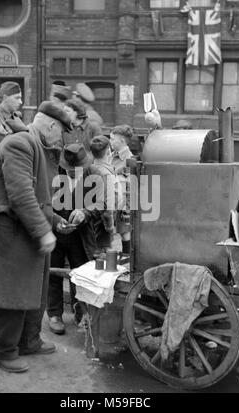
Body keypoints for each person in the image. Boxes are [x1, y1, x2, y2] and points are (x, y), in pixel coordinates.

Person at [0, 101, 72, 374]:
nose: (61, 139)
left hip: (23, 229)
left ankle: (28, 341)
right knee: (11, 294)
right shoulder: (20, 144)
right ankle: (2, 352)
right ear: (51, 125)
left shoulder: (34, 144)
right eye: (61, 132)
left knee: (33, 289)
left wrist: (55, 222)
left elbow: (36, 198)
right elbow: (21, 195)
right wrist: (43, 231)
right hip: (10, 232)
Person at [47, 143, 104, 335]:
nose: (72, 173)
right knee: (53, 273)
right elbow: (43, 201)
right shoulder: (54, 174)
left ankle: (81, 312)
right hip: (55, 233)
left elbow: (101, 203)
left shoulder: (93, 174)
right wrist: (55, 220)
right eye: (70, 170)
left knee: (80, 275)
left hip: (81, 235)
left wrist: (85, 212)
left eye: (76, 170)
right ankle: (54, 314)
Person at [0, 81, 27, 182]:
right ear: (5, 98)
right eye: (17, 98)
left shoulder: (15, 117)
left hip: (15, 170)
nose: (20, 102)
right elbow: (8, 141)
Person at [109, 125, 134, 254]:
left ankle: (127, 259)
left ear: (122, 141)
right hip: (110, 201)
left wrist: (127, 209)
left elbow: (130, 187)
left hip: (122, 204)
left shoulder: (129, 160)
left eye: (113, 139)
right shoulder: (111, 155)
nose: (110, 141)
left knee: (125, 233)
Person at [89, 135, 116, 251]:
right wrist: (110, 228)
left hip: (88, 225)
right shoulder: (106, 174)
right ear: (109, 151)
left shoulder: (87, 170)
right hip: (102, 229)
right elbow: (108, 208)